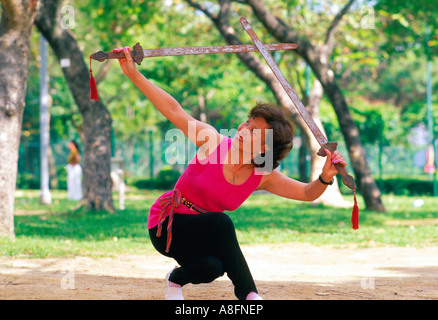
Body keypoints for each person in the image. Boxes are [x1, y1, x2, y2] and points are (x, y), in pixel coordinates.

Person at [115, 46, 347, 300]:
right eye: (247, 122)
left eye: (253, 129)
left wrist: (326, 177)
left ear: (265, 148)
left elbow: (306, 192)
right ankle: (249, 295)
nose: (243, 128)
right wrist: (133, 74)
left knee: (213, 267)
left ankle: (175, 280)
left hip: (200, 237)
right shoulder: (212, 142)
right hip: (166, 226)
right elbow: (173, 110)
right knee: (221, 222)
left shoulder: (263, 174)